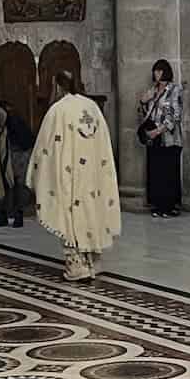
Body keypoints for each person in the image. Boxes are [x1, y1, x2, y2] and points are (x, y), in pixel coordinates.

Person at [30, 74, 120, 281]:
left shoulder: (58, 110)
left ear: (58, 86)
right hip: (93, 174)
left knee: (68, 214)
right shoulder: (92, 107)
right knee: (91, 211)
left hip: (69, 174)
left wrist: (37, 173)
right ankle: (94, 261)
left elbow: (45, 146)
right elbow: (104, 142)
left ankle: (77, 265)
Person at [138, 60, 186, 218]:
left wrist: (159, 130)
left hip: (169, 137)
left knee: (169, 171)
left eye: (160, 71)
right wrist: (143, 101)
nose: (157, 74)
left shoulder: (174, 89)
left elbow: (175, 115)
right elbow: (144, 114)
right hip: (154, 137)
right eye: (155, 71)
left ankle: (171, 206)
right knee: (156, 171)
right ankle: (158, 205)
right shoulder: (152, 90)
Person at [0, 98, 35, 228]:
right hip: (2, 160)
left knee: (18, 186)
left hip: (18, 158)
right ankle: (3, 215)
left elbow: (25, 141)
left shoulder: (13, 123)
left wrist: (15, 159)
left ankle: (18, 215)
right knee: (1, 185)